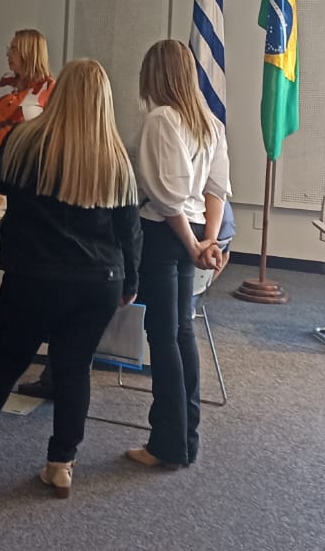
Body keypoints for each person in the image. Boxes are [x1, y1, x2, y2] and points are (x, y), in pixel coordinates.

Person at [0, 58, 141, 500]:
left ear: (59, 92)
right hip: (99, 279)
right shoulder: (116, 158)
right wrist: (131, 282)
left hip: (33, 273)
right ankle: (61, 464)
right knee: (74, 368)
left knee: (6, 361)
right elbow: (129, 230)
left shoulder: (25, 140)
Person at [128, 39, 230, 469]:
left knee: (164, 335)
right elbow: (216, 189)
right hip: (191, 234)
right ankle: (185, 439)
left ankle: (167, 444)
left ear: (153, 74)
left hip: (163, 234)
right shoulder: (209, 121)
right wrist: (208, 241)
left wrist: (194, 246)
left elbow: (166, 198)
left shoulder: (161, 119)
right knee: (181, 333)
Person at [0, 29, 55, 152]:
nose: (8, 54)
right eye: (9, 49)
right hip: (0, 159)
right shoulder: (6, 80)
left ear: (30, 53)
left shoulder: (49, 87)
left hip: (28, 159)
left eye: (14, 49)